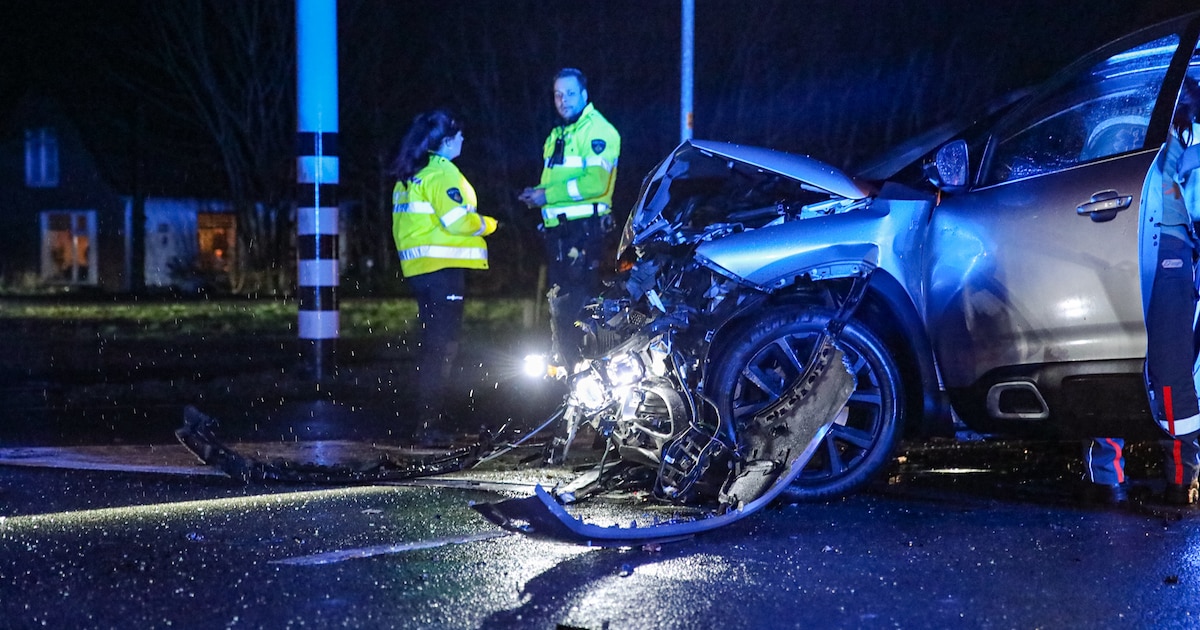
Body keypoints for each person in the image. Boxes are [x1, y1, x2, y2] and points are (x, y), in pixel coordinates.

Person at [1084, 77, 1200, 505]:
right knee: (1104, 361)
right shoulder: (1114, 101)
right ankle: (1109, 479)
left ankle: (1176, 478)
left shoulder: (1180, 125)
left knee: (1169, 368)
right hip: (1119, 245)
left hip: (1169, 245)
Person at [391, 109, 498, 445]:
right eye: (460, 135)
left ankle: (431, 418)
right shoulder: (442, 173)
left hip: (421, 272)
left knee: (433, 346)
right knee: (443, 347)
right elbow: (458, 221)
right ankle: (430, 425)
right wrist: (489, 225)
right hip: (443, 272)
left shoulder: (412, 173)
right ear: (447, 141)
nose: (464, 140)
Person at [518, 68, 621, 366]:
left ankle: (583, 376)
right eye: (558, 95)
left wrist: (546, 197)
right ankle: (569, 376)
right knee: (562, 306)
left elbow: (595, 183)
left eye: (570, 94)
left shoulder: (598, 131)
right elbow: (556, 180)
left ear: (585, 94)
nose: (563, 100)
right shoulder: (559, 133)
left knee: (576, 308)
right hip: (562, 234)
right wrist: (537, 193)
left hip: (584, 233)